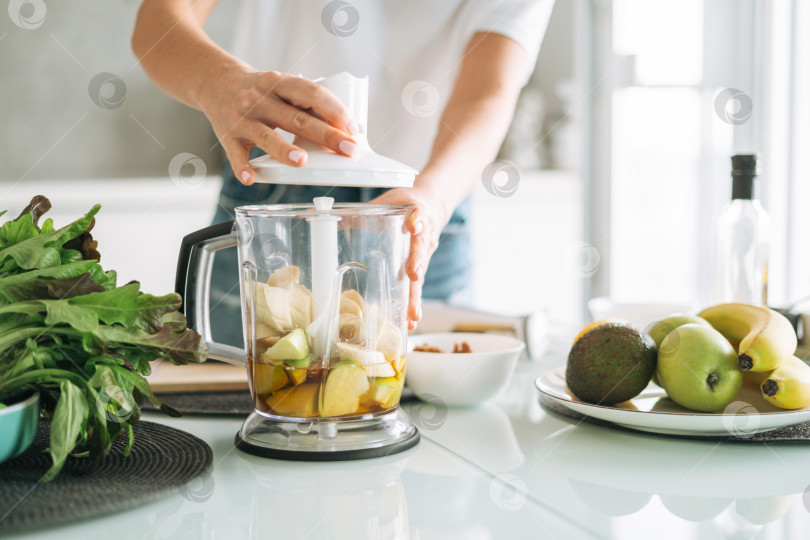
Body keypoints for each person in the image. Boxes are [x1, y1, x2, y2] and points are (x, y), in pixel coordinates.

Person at [132, 0, 553, 345]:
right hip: (273, 183)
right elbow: (157, 25)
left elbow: (487, 91)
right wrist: (218, 82)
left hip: (424, 198)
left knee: (422, 402)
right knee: (230, 385)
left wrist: (435, 199)